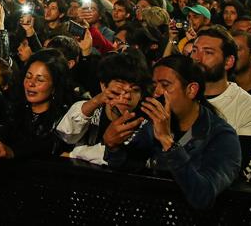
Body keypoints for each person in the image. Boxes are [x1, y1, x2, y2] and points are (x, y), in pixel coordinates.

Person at [103, 54, 241, 210]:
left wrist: (167, 141)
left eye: (165, 85)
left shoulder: (222, 137)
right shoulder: (153, 125)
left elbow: (203, 196)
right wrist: (113, 146)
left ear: (191, 90)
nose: (157, 92)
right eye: (155, 85)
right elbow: (128, 168)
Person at [190, 26, 251, 181]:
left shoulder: (248, 106)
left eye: (208, 52)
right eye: (195, 50)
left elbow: (241, 170)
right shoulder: (178, 96)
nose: (197, 58)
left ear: (228, 61)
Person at [0, 49, 74, 161]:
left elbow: (48, 146)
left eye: (40, 80)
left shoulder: (64, 119)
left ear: (55, 86)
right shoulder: (14, 109)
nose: (30, 83)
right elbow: (1, 130)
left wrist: (13, 151)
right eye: (28, 76)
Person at [56, 50, 149, 164]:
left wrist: (74, 154)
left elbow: (127, 161)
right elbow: (66, 135)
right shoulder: (91, 109)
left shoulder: (143, 123)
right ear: (104, 86)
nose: (127, 96)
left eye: (135, 90)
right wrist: (95, 101)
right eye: (119, 87)